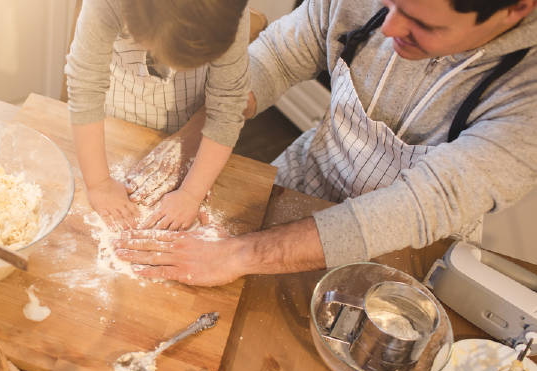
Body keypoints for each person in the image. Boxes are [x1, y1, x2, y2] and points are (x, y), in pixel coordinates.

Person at [114, 0, 537, 286]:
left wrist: (235, 257)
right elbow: (276, 57)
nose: (389, 28)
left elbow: (419, 206)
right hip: (305, 177)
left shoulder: (527, 97)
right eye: (389, 4)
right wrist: (190, 143)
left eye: (423, 23)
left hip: (406, 252)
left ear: (516, 8)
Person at [65, 0, 250, 231]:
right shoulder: (107, 4)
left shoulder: (227, 10)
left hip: (189, 113)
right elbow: (85, 85)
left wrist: (191, 193)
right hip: (120, 111)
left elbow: (227, 104)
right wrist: (99, 183)